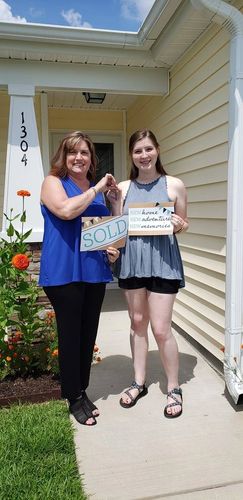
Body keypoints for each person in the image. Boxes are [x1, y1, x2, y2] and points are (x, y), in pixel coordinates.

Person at [39, 131, 120, 426]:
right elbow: (65, 210)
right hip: (63, 272)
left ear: (91, 158)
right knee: (71, 335)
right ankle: (73, 397)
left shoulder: (97, 191)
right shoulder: (53, 183)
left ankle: (81, 389)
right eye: (73, 152)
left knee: (88, 335)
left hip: (95, 271)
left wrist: (116, 205)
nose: (79, 158)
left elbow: (111, 231)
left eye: (84, 152)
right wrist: (98, 188)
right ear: (64, 156)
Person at [113, 129, 188, 418]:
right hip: (132, 261)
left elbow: (184, 223)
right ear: (131, 155)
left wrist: (180, 224)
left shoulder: (175, 185)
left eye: (148, 149)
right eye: (137, 151)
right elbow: (117, 228)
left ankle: (173, 387)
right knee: (137, 322)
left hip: (163, 261)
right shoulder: (122, 188)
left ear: (157, 149)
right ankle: (139, 382)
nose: (143, 155)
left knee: (161, 328)